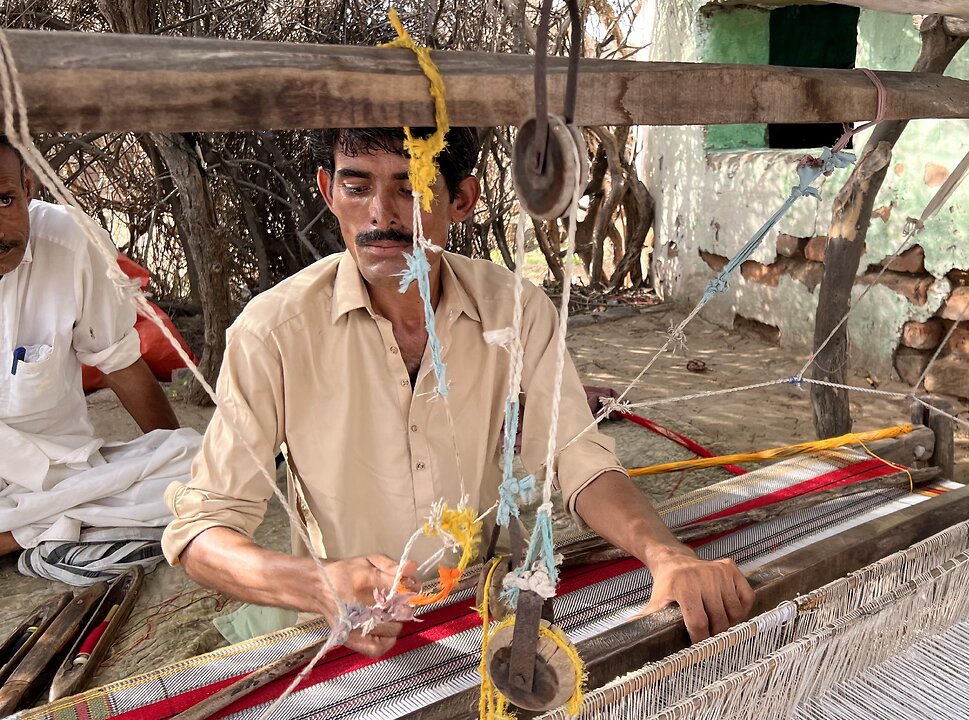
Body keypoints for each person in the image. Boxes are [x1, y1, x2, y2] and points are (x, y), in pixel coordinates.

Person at [163, 127, 754, 657]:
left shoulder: (516, 310)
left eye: (410, 187)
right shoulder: (273, 333)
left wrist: (666, 555)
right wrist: (322, 586)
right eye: (357, 186)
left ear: (462, 200)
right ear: (327, 190)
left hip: (475, 606)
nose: (382, 215)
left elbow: (574, 457)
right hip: (335, 639)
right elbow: (199, 532)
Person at [0, 135, 201, 584]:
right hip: (65, 496)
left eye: (3, 199)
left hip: (63, 475)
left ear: (28, 187)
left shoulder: (70, 242)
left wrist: (170, 452)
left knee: (200, 459)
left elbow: (121, 363)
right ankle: (40, 532)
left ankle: (23, 533)